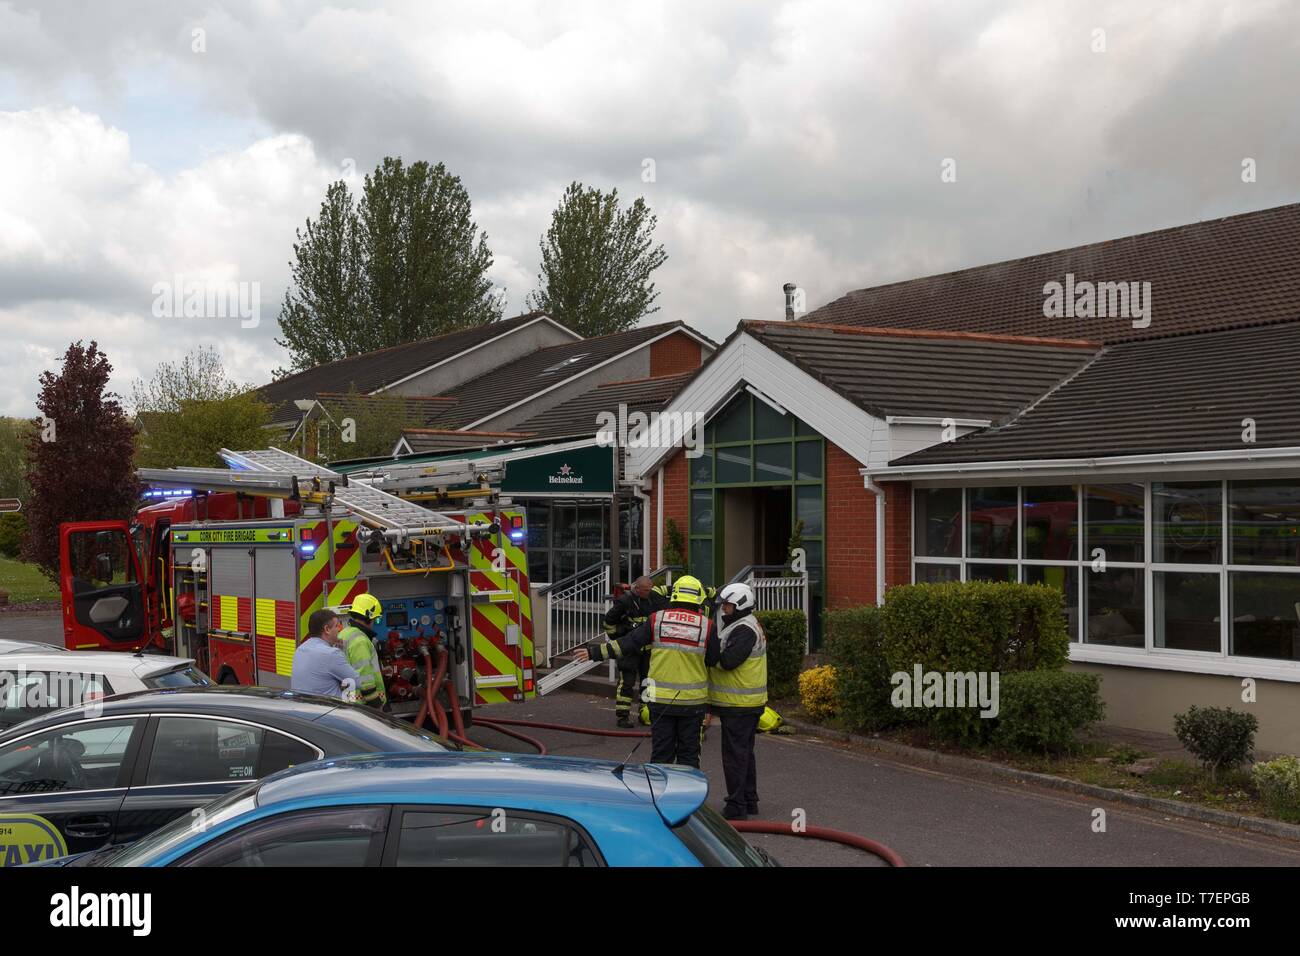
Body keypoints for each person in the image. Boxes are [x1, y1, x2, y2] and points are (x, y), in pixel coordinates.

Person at [576, 574, 712, 768]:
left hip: (662, 702)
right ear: (698, 598)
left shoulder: (657, 620)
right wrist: (712, 707)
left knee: (661, 755)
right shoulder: (707, 626)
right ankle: (689, 797)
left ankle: (657, 795)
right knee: (689, 757)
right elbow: (717, 662)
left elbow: (628, 642)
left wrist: (594, 652)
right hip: (693, 704)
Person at [706, 582, 767, 820]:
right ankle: (749, 800)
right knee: (744, 753)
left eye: (728, 605)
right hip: (744, 703)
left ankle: (736, 806)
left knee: (735, 755)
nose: (724, 610)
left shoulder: (744, 630)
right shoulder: (744, 625)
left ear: (741, 604)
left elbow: (728, 661)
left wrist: (710, 647)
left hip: (739, 704)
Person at [603, 575, 668, 728]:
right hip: (630, 650)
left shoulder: (655, 599)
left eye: (650, 589)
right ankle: (622, 716)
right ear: (637, 589)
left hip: (648, 651)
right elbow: (608, 623)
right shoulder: (625, 602)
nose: (649, 592)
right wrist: (621, 636)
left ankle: (645, 713)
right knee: (627, 683)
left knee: (648, 682)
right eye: (646, 590)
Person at [291, 609, 361, 700]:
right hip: (330, 710)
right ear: (327, 629)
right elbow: (357, 682)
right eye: (337, 626)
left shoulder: (300, 649)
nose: (339, 630)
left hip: (303, 708)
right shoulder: (332, 654)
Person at [339, 594, 388, 709]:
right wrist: (376, 705)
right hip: (363, 704)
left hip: (348, 699)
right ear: (369, 618)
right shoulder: (359, 640)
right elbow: (364, 678)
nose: (374, 623)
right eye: (375, 620)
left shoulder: (345, 633)